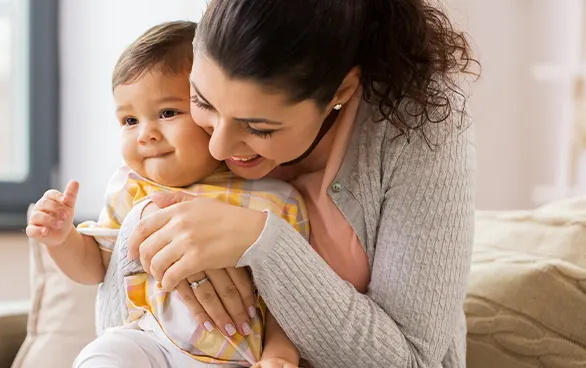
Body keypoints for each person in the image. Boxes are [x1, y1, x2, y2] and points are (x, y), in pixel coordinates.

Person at [121, 0, 479, 367]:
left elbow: (413, 361)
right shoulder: (183, 82)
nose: (218, 145)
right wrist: (153, 225)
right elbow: (115, 328)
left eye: (258, 128)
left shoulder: (422, 124)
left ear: (340, 92)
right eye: (202, 102)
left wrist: (264, 244)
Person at [26, 21, 307, 368]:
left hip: (234, 358)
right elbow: (96, 266)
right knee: (103, 355)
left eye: (167, 113)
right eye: (129, 121)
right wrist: (61, 238)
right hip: (146, 342)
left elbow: (292, 300)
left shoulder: (276, 200)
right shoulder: (130, 189)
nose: (145, 134)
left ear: (213, 112)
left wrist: (279, 355)